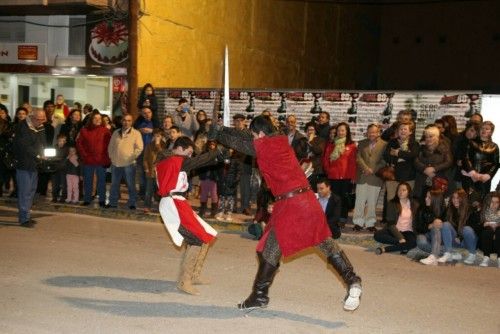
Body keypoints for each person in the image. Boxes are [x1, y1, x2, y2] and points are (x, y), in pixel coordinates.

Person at [210, 115, 362, 312]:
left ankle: (259, 296)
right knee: (317, 242)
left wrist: (219, 134)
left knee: (275, 248)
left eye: (256, 135)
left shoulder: (267, 145)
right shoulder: (278, 140)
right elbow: (246, 136)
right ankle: (353, 280)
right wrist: (224, 129)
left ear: (262, 134)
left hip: (293, 205)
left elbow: (243, 145)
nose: (254, 138)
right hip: (304, 200)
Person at [156, 136, 222, 295]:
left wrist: (216, 157)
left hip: (178, 202)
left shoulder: (172, 160)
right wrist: (217, 152)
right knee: (197, 239)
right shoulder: (175, 160)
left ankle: (193, 275)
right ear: (180, 148)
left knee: (207, 235)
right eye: (189, 152)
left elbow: (200, 161)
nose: (190, 156)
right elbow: (199, 161)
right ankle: (184, 281)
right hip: (173, 203)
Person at [12, 109, 46, 227]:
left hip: (34, 164)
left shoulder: (39, 127)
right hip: (24, 164)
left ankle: (26, 215)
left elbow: (42, 143)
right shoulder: (23, 127)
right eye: (39, 119)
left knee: (31, 190)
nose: (41, 122)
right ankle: (23, 219)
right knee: (24, 192)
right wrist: (38, 154)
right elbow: (25, 146)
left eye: (43, 119)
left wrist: (43, 153)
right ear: (32, 117)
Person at [353, 124, 387, 232]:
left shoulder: (384, 145)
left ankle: (370, 223)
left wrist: (373, 169)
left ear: (379, 133)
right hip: (362, 176)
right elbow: (358, 157)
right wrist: (365, 168)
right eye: (370, 132)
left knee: (372, 202)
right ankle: (358, 222)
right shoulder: (362, 143)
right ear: (367, 133)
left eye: (374, 132)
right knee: (359, 201)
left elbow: (384, 161)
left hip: (375, 177)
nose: (372, 134)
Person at [322, 122, 357, 224]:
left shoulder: (352, 145)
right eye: (339, 130)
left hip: (346, 176)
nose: (340, 132)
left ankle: (343, 218)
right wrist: (328, 171)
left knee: (344, 198)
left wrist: (353, 176)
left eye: (343, 130)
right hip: (333, 176)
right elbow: (325, 160)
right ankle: (334, 218)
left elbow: (353, 163)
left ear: (347, 132)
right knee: (334, 198)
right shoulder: (331, 145)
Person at [106, 114, 144, 210]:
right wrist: (112, 157)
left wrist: (132, 158)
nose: (126, 122)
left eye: (129, 120)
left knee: (131, 184)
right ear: (122, 121)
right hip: (116, 163)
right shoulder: (116, 132)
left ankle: (132, 203)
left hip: (129, 164)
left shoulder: (136, 133)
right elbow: (111, 146)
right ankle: (113, 202)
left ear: (131, 122)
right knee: (114, 184)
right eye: (124, 120)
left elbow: (139, 148)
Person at [433, 189, 479, 264]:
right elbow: (441, 220)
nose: (455, 200)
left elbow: (474, 229)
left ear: (463, 199)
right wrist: (436, 221)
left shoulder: (471, 209)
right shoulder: (449, 209)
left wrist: (460, 237)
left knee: (467, 229)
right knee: (445, 224)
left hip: (468, 241)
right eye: (453, 198)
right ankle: (448, 253)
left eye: (458, 198)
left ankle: (472, 254)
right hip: (455, 241)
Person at [76, 111, 111, 207]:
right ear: (91, 119)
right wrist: (84, 156)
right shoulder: (84, 130)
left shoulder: (105, 131)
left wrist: (108, 158)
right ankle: (87, 199)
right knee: (88, 181)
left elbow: (109, 146)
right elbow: (79, 144)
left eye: (99, 119)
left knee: (102, 181)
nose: (97, 120)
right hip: (88, 160)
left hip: (101, 160)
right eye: (95, 118)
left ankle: (102, 200)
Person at [374, 182, 419, 255]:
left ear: (409, 192)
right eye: (399, 190)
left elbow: (417, 221)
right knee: (377, 235)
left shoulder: (414, 204)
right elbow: (391, 223)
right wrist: (400, 238)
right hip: (394, 230)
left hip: (408, 231)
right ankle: (403, 245)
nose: (401, 192)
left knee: (413, 242)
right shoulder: (392, 203)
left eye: (404, 190)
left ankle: (384, 249)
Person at [383, 121, 419, 208]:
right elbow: (386, 156)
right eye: (401, 129)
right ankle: (391, 220)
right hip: (393, 176)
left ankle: (405, 220)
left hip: (409, 177)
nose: (403, 131)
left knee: (407, 200)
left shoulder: (414, 144)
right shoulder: (392, 142)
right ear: (397, 131)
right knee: (391, 199)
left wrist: (398, 153)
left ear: (410, 132)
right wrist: (400, 158)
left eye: (405, 129)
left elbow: (413, 155)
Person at [462, 121, 499, 200]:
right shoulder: (471, 142)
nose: (484, 130)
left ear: (491, 132)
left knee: (481, 202)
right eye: (482, 128)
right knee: (466, 201)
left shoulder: (494, 147)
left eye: (487, 129)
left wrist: (488, 175)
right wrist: (472, 172)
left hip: (484, 180)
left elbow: (495, 164)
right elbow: (466, 158)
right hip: (470, 177)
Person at [414, 125, 453, 200]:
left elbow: (449, 162)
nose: (428, 139)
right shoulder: (421, 148)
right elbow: (415, 161)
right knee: (421, 203)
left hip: (439, 180)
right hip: (422, 181)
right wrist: (425, 168)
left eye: (431, 136)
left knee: (437, 204)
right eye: (426, 136)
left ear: (437, 137)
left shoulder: (444, 148)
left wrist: (434, 168)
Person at [415, 190, 447, 265]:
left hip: (439, 237)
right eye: (426, 197)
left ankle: (433, 256)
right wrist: (430, 226)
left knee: (436, 227)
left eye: (429, 197)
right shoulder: (421, 208)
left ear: (435, 200)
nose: (426, 199)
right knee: (421, 242)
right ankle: (449, 252)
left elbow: (447, 229)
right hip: (425, 234)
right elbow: (418, 227)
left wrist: (439, 224)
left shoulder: (444, 210)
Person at [143, 129, 166, 213]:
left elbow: (164, 155)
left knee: (161, 191)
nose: (156, 137)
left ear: (162, 137)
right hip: (151, 172)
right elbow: (145, 158)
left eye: (158, 136)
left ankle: (162, 208)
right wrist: (146, 168)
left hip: (161, 173)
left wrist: (158, 145)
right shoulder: (149, 145)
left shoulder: (165, 146)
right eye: (155, 135)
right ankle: (147, 206)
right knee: (148, 191)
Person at [215, 148, 241, 222]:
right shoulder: (222, 159)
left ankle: (229, 214)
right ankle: (220, 213)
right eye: (229, 150)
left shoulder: (236, 160)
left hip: (231, 182)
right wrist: (218, 178)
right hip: (222, 181)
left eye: (232, 150)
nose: (230, 151)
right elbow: (218, 169)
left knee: (230, 199)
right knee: (222, 197)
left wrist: (235, 181)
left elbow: (239, 172)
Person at [197, 140, 219, 218]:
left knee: (214, 195)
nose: (212, 146)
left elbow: (219, 167)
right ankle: (202, 210)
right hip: (204, 177)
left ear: (216, 146)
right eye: (211, 144)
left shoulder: (217, 154)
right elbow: (199, 165)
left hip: (213, 178)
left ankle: (214, 212)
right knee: (203, 194)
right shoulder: (204, 154)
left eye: (213, 144)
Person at [479, 192, 500, 267]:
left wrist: (498, 225)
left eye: (497, 202)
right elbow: (476, 228)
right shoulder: (482, 212)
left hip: (497, 244)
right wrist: (484, 224)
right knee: (487, 230)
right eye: (492, 202)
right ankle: (486, 257)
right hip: (485, 243)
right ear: (488, 202)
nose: (494, 205)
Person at [51, 133, 69, 203]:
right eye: (60, 141)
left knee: (64, 184)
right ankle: (54, 197)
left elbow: (67, 158)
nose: (61, 142)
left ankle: (63, 197)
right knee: (55, 184)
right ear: (57, 141)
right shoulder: (53, 148)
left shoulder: (67, 149)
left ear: (65, 141)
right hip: (55, 169)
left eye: (63, 141)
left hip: (64, 169)